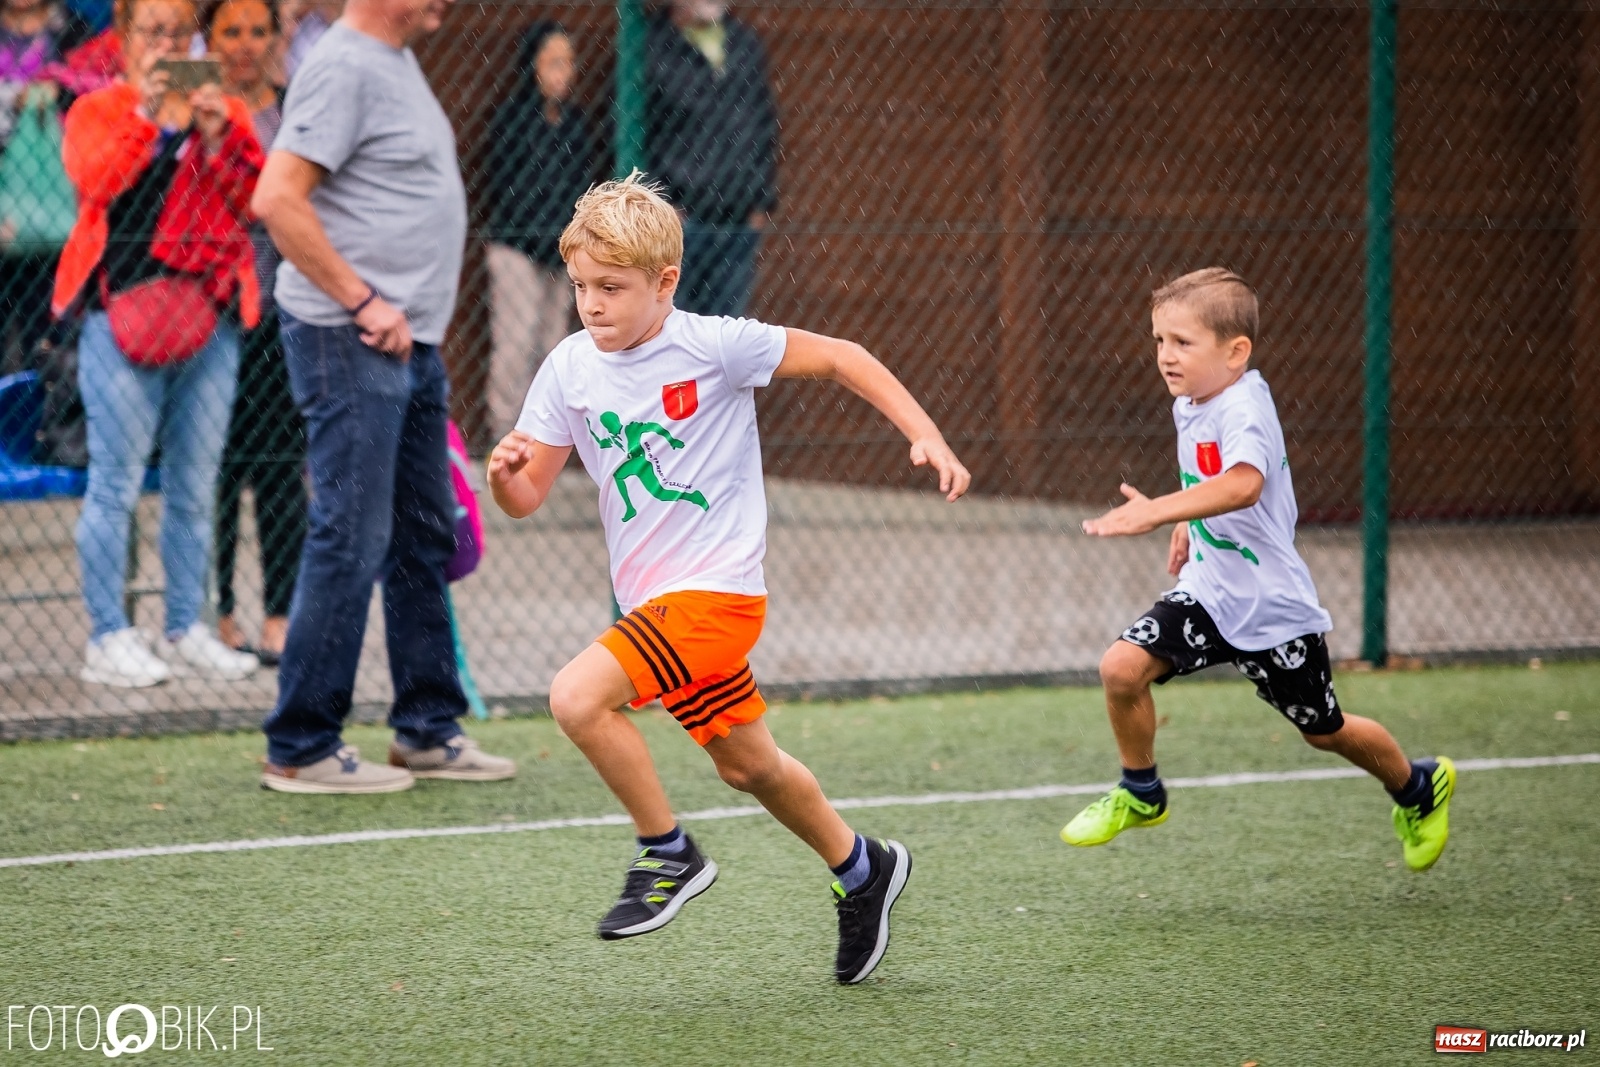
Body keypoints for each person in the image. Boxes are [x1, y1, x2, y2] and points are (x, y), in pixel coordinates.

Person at [487, 175, 971, 983]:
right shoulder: (569, 366)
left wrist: (926, 436)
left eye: (612, 287)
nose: (591, 304)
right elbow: (526, 497)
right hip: (659, 610)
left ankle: (667, 853)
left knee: (576, 696)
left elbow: (845, 358)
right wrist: (505, 475)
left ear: (664, 282)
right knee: (749, 766)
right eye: (580, 287)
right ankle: (862, 868)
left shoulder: (715, 344)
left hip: (718, 596)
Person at [1065, 268, 1456, 872]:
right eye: (1158, 341)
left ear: (1235, 351)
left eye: (1182, 343)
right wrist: (1187, 525)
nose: (1166, 357)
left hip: (1271, 608)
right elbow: (1212, 478)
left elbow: (1245, 484)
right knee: (1120, 668)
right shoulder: (1193, 398)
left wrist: (1156, 512)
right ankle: (1141, 792)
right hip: (1209, 592)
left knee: (1323, 730)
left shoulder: (1245, 406)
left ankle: (1417, 787)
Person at [251, 0, 515, 793]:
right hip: (352, 336)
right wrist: (364, 299)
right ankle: (301, 743)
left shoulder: (390, 59)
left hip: (408, 343)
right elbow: (277, 200)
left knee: (422, 532)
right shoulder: (342, 66)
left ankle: (427, 728)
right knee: (351, 534)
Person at [53, 0, 264, 687]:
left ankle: (184, 626)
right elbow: (97, 181)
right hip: (119, 321)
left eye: (179, 33)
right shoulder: (97, 111)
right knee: (113, 485)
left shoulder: (224, 112)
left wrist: (213, 140)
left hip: (209, 321)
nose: (168, 44)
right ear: (124, 39)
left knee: (195, 488)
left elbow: (254, 198)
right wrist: (148, 119)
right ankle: (107, 637)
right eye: (154, 32)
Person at [205, 0, 304, 667]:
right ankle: (216, 614)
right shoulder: (193, 112)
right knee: (211, 471)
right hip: (206, 316)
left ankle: (277, 612)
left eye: (257, 31)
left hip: (280, 316)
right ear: (208, 40)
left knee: (276, 470)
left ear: (278, 37)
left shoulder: (296, 110)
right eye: (230, 31)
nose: (244, 44)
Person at [481, 19, 593, 437]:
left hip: (560, 252)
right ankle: (505, 435)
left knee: (553, 347)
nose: (563, 72)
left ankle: (543, 438)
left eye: (568, 62)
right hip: (517, 249)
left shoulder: (575, 125)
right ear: (533, 66)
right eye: (554, 62)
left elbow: (580, 186)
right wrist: (542, 235)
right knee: (516, 344)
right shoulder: (512, 120)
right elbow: (506, 189)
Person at [644, 0, 774, 318]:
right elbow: (632, 130)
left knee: (724, 334)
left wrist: (761, 200)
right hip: (679, 220)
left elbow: (765, 123)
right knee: (672, 326)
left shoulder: (744, 44)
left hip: (737, 220)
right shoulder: (650, 46)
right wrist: (661, 203)